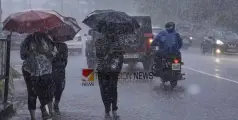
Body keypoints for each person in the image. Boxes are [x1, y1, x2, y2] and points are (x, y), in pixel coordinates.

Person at [20, 32, 57, 120]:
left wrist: (46, 52)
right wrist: (29, 53)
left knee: (47, 91)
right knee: (32, 93)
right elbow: (22, 56)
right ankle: (33, 117)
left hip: (45, 70)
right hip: (30, 70)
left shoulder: (47, 39)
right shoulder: (27, 41)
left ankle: (48, 111)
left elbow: (54, 52)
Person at [95, 23, 124, 119]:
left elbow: (121, 55)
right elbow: (99, 54)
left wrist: (118, 53)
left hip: (113, 70)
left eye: (113, 31)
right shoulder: (99, 41)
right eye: (109, 31)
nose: (112, 33)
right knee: (104, 91)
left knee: (113, 90)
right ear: (105, 31)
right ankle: (107, 110)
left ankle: (114, 110)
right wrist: (109, 52)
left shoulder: (117, 41)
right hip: (102, 69)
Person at [52, 40, 68, 115]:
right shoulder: (49, 44)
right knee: (59, 87)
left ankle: (55, 103)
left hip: (57, 69)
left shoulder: (63, 46)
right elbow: (65, 60)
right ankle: (55, 103)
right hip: (56, 69)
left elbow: (65, 59)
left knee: (59, 87)